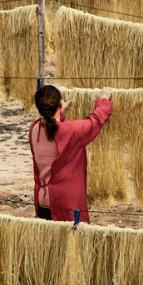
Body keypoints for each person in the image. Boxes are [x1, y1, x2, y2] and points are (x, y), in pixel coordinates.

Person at [29, 85, 113, 223]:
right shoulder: (71, 132)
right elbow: (95, 122)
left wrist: (59, 111)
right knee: (71, 242)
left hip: (42, 200)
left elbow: (52, 127)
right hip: (66, 204)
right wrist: (103, 100)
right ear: (59, 103)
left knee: (48, 241)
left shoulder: (34, 128)